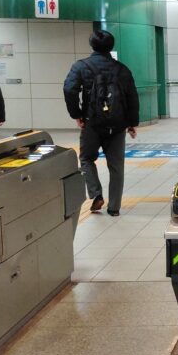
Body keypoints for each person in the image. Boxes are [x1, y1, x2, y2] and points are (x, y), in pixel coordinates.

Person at [63, 30, 139, 216]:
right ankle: (114, 208)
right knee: (116, 166)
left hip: (92, 123)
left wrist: (77, 114)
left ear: (92, 45)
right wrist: (132, 123)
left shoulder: (81, 66)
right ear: (111, 46)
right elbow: (132, 97)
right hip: (117, 125)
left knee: (86, 159)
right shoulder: (122, 69)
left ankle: (96, 194)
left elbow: (69, 89)